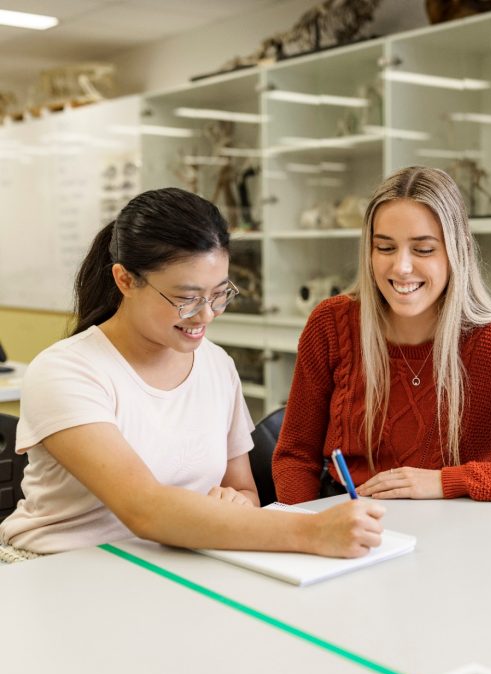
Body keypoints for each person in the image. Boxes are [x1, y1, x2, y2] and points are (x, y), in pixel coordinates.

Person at [0, 187, 383, 559]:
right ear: (125, 280)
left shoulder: (216, 365)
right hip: (60, 570)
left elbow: (245, 493)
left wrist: (235, 502)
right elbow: (144, 509)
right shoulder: (66, 371)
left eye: (219, 293)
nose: (206, 315)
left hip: (176, 563)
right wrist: (312, 531)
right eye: (186, 299)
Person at [272, 167, 491, 504]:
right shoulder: (331, 324)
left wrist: (446, 481)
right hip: (342, 522)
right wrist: (306, 532)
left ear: (458, 251)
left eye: (423, 249)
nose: (401, 267)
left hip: (451, 538)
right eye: (385, 247)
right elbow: (295, 456)